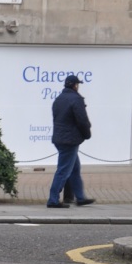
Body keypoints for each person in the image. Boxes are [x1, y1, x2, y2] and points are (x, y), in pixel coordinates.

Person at [47, 74, 95, 208]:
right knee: (63, 171)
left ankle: (80, 197)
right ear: (75, 85)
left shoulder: (59, 99)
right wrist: (87, 134)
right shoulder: (76, 99)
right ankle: (53, 199)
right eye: (77, 84)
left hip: (59, 138)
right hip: (70, 139)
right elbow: (82, 120)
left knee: (74, 169)